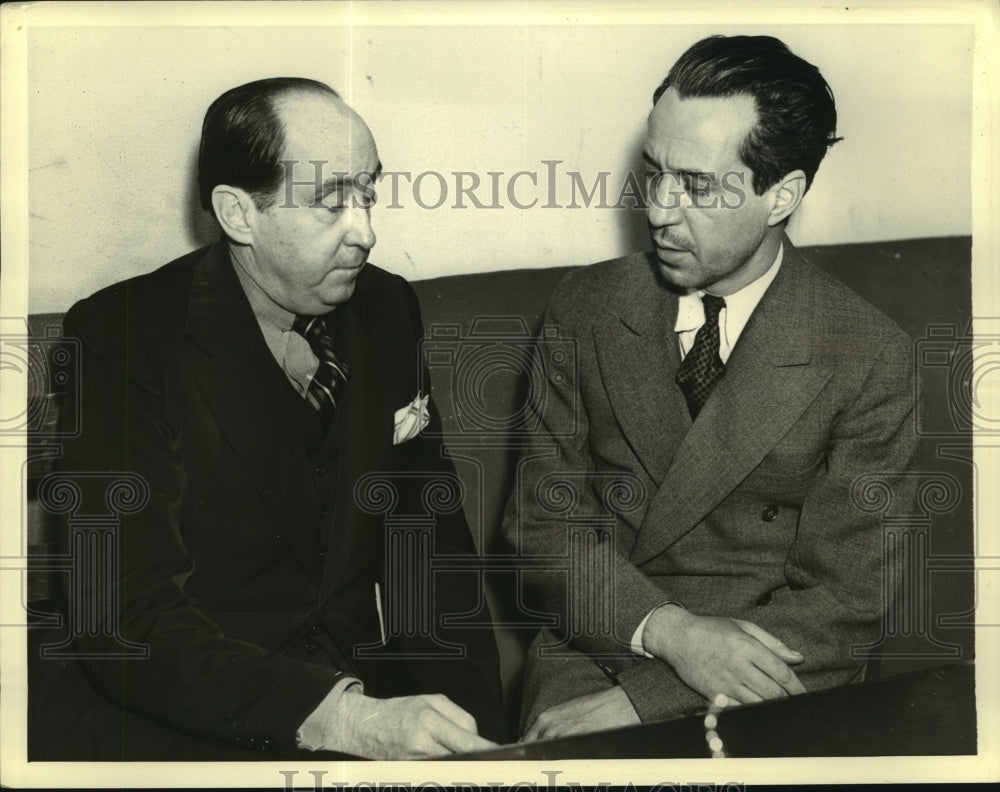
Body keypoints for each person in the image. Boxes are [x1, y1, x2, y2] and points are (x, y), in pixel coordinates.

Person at [30, 77, 504, 760]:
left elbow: (429, 550)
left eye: (367, 193)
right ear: (238, 214)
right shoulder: (121, 335)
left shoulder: (388, 308)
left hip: (365, 696)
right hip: (184, 712)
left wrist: (482, 744)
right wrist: (341, 720)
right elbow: (124, 616)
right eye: (330, 201)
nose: (365, 232)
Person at [505, 35, 918, 740]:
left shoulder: (870, 354)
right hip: (599, 649)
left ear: (781, 195)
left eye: (695, 186)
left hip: (778, 679)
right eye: (653, 172)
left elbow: (843, 605)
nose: (659, 210)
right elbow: (543, 532)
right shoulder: (584, 309)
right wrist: (673, 637)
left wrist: (646, 702)